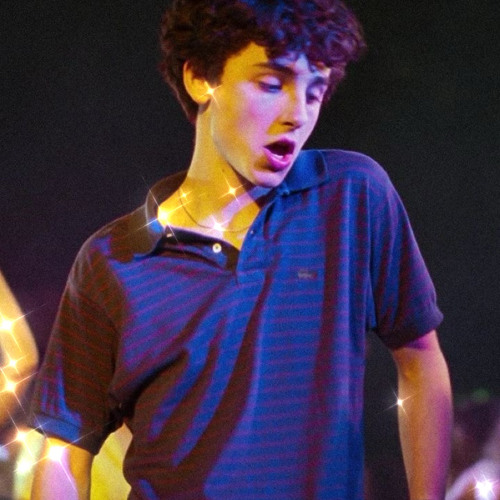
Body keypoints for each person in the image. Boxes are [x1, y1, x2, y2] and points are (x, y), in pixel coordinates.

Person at [29, 1, 452, 498]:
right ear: (199, 78)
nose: (297, 115)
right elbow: (64, 450)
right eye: (271, 84)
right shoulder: (111, 260)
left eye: (314, 92)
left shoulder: (352, 197)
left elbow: (420, 357)